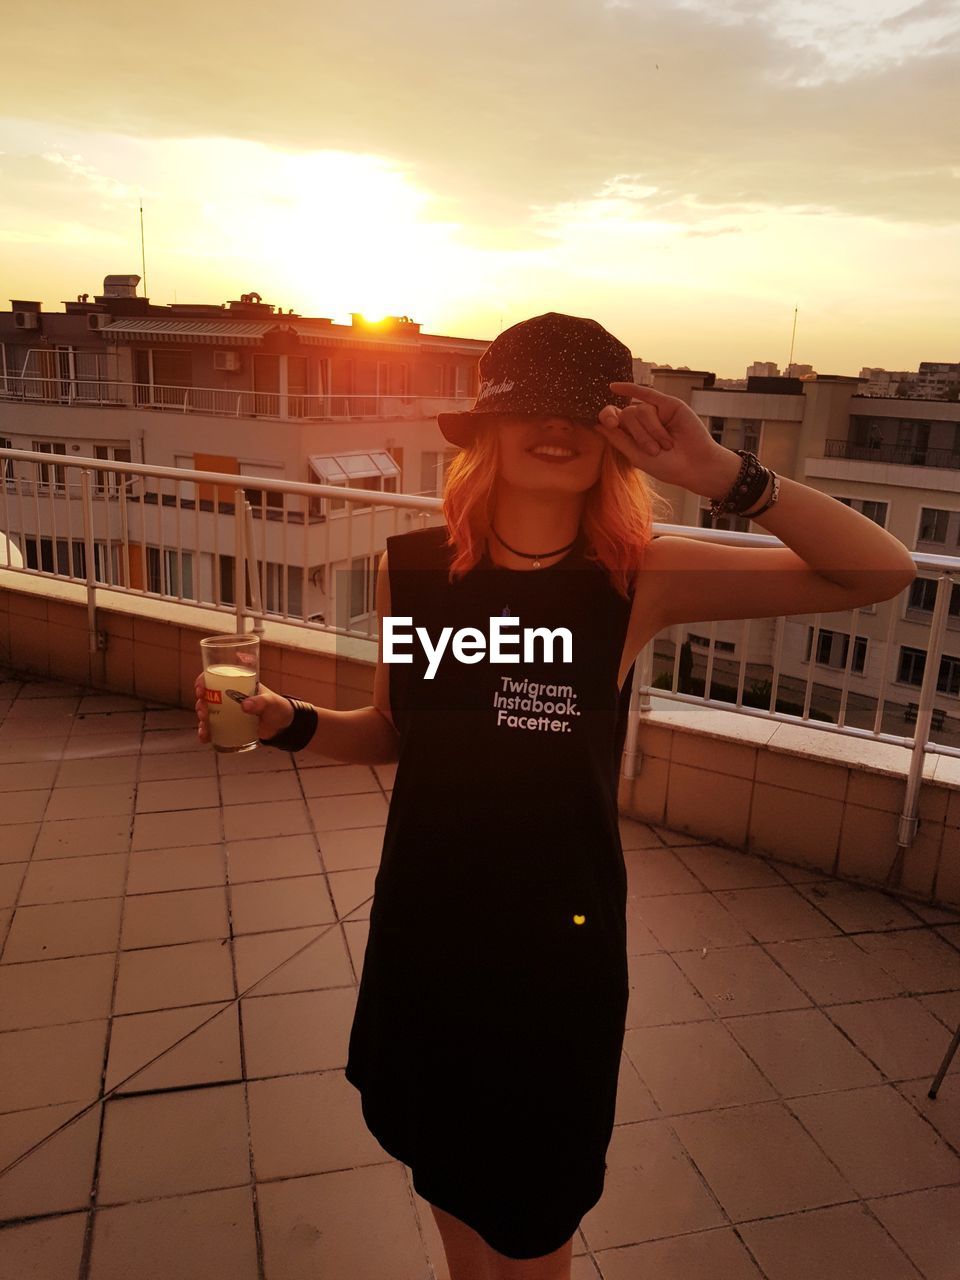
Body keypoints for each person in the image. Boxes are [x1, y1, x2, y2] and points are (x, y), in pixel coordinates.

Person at [195, 312, 916, 1280]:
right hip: (426, 944)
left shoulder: (636, 575)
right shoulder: (412, 568)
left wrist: (726, 477)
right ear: (486, 428)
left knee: (533, 1231)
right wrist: (288, 720)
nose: (560, 427)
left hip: (554, 973)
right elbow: (398, 733)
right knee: (451, 1200)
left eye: (592, 413)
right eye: (531, 406)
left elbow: (880, 571)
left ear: (618, 440)